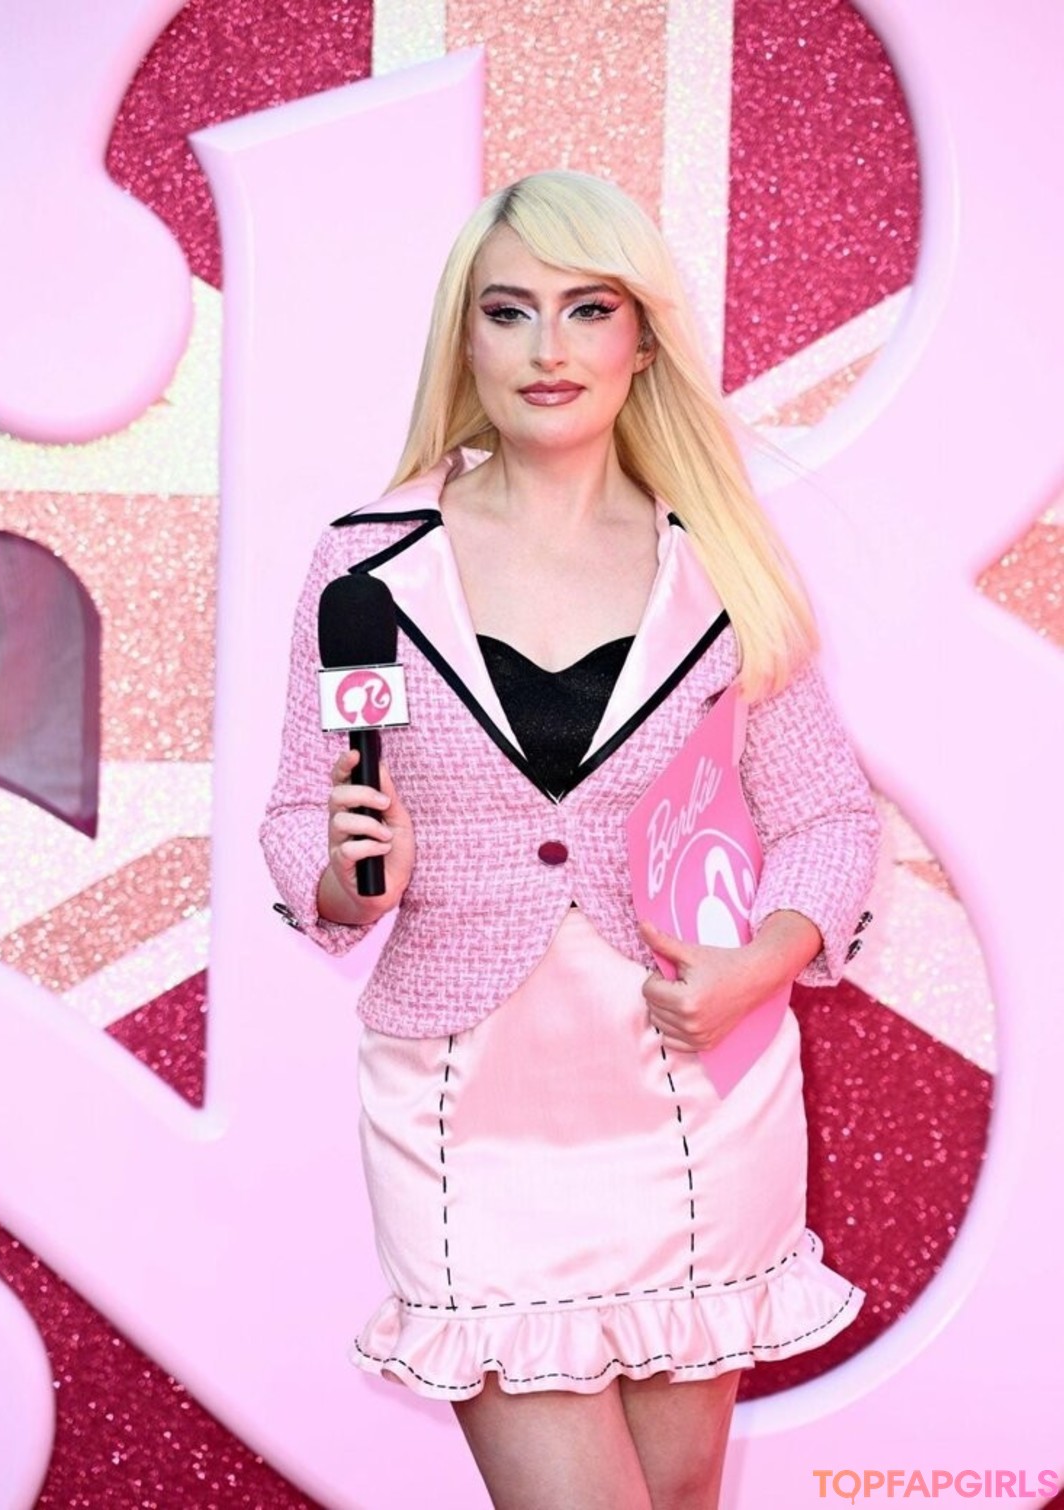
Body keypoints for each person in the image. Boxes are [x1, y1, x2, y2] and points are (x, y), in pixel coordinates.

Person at [260, 169, 881, 1510]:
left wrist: (759, 965)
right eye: (509, 311)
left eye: (588, 308)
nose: (548, 347)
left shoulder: (721, 560)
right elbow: (301, 810)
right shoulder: (367, 568)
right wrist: (345, 881)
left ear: (640, 340)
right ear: (464, 340)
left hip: (691, 1094)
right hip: (464, 1105)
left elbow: (828, 815)